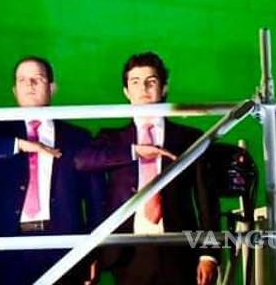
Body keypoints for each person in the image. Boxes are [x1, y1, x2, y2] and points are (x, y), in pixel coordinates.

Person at [75, 52, 220, 285]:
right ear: (126, 92)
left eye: (151, 81)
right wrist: (134, 151)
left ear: (163, 88)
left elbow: (207, 201)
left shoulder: (190, 138)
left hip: (179, 249)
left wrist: (209, 254)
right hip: (127, 252)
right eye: (135, 82)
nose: (143, 87)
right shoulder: (111, 139)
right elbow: (82, 161)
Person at [0, 57, 103, 285]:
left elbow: (95, 201)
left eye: (38, 78)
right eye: (22, 80)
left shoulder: (77, 137)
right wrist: (18, 145)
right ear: (15, 91)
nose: (30, 84)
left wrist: (93, 252)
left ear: (52, 88)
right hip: (11, 248)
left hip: (64, 249)